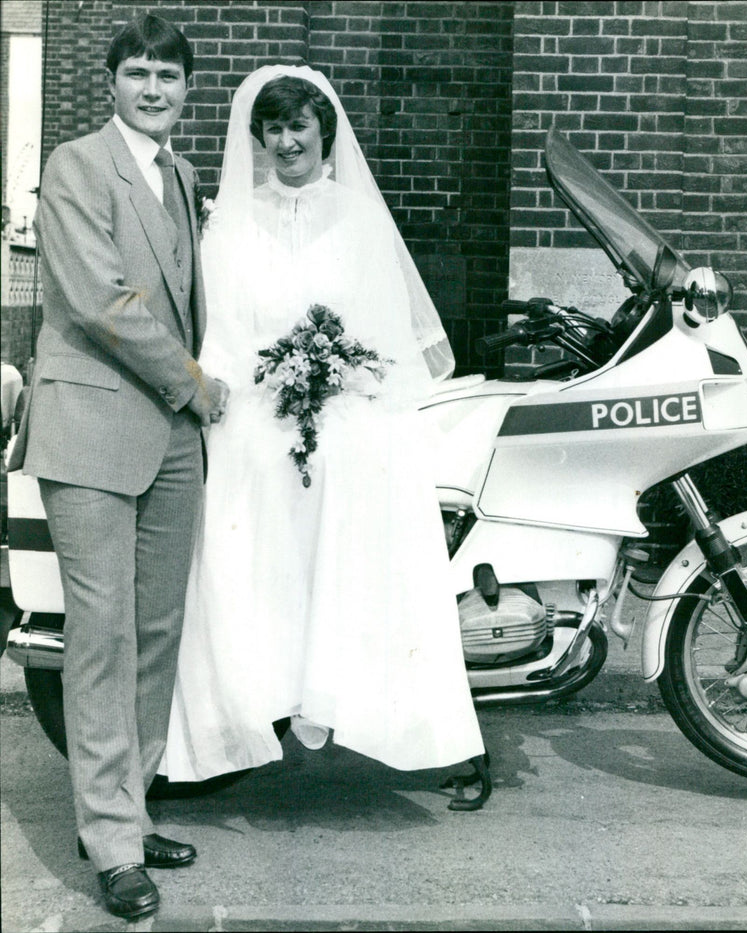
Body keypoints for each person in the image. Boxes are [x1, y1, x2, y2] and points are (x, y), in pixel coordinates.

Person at [160, 65, 488, 794]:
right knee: (247, 558)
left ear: (323, 132)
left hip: (344, 415)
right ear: (258, 137)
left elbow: (385, 329)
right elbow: (221, 334)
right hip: (257, 416)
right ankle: (232, 725)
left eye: (298, 126)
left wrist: (334, 374)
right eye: (272, 128)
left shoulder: (360, 218)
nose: (285, 141)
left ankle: (427, 737)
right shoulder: (231, 222)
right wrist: (261, 385)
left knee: (369, 560)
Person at [7, 14, 228, 922]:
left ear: (186, 89)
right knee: (102, 638)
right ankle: (110, 848)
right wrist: (193, 383)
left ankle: (128, 812)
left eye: (167, 76)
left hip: (172, 438)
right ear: (111, 82)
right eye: (135, 73)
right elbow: (100, 298)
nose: (152, 89)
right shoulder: (75, 165)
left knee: (157, 632)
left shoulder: (179, 174)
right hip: (94, 427)